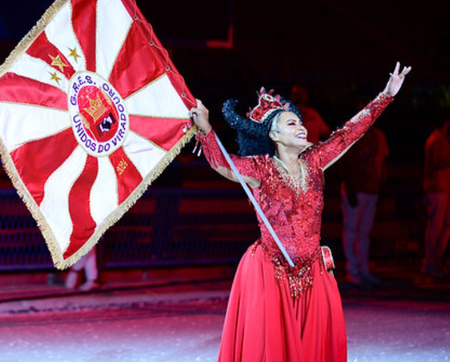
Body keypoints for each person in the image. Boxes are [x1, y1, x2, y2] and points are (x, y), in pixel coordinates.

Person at [189, 62, 410, 362]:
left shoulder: (315, 162)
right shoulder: (261, 169)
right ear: (275, 136)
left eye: (300, 122)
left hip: (314, 275)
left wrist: (385, 95)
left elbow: (349, 134)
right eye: (291, 124)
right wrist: (206, 129)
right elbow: (223, 163)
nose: (301, 126)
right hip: (271, 275)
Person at [339, 120, 389, 286]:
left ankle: (363, 269)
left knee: (364, 233)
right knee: (352, 230)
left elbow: (382, 161)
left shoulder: (378, 135)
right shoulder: (354, 132)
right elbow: (345, 162)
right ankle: (352, 271)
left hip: (371, 188)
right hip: (356, 188)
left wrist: (381, 185)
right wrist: (350, 187)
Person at [422, 110, 450, 279]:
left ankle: (436, 259)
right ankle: (430, 262)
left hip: (444, 188)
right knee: (436, 226)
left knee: (446, 226)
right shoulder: (436, 140)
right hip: (436, 189)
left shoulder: (443, 139)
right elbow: (437, 163)